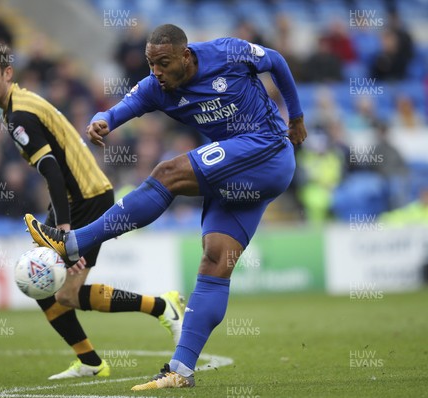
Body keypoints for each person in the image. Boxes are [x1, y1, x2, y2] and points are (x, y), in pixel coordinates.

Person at [25, 24, 307, 390]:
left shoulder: (226, 53)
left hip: (266, 149)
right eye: (150, 63)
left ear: (185, 56)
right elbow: (124, 107)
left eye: (163, 62)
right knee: (215, 260)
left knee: (168, 172)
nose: (156, 71)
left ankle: (75, 242)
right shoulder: (157, 88)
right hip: (242, 177)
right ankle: (181, 370)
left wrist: (297, 117)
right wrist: (103, 122)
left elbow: (277, 61)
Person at [0, 44, 185, 380]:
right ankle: (93, 359)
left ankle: (158, 309)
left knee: (61, 291)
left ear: (7, 73)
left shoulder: (19, 115)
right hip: (79, 197)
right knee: (44, 285)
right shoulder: (21, 105)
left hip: (86, 199)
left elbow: (51, 168)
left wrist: (65, 233)